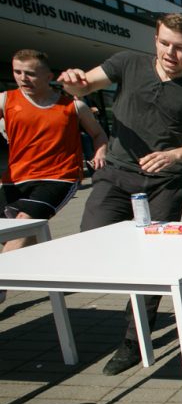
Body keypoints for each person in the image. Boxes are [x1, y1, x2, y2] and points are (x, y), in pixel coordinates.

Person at [57, 13, 182, 375]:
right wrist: (73, 82)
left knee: (153, 266)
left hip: (165, 184)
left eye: (179, 48)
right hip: (116, 177)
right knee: (91, 241)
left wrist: (174, 154)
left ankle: (134, 339)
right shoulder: (126, 63)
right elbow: (84, 85)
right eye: (164, 44)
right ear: (155, 41)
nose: (170, 53)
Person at [0, 49, 108, 266]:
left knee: (23, 223)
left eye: (30, 73)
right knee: (12, 233)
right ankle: (27, 273)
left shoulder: (74, 106)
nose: (23, 78)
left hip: (59, 177)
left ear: (49, 77)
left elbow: (98, 134)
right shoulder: (5, 100)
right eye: (17, 72)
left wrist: (100, 151)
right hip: (15, 177)